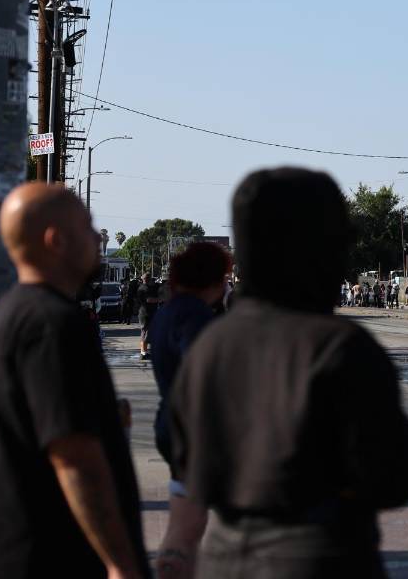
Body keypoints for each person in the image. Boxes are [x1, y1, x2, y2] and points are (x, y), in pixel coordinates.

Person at [170, 167, 408, 578]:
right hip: (318, 558)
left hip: (224, 557)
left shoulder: (210, 345)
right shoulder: (339, 347)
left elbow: (187, 465)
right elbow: (383, 472)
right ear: (318, 251)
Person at [0, 182, 150, 578]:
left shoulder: (9, 317)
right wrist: (120, 562)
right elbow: (74, 458)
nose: (98, 239)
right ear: (56, 241)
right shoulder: (52, 325)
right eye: (89, 228)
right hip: (52, 557)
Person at [149, 243, 233, 579]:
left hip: (171, 424)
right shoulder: (193, 316)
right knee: (190, 527)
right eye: (225, 278)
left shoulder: (169, 312)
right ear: (210, 280)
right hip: (195, 432)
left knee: (185, 522)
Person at [136, 272, 161, 359]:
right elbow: (149, 300)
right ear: (148, 280)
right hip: (145, 313)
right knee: (145, 333)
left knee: (146, 332)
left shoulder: (145, 287)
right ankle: (143, 353)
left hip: (146, 313)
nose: (153, 281)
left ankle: (144, 352)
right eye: (151, 279)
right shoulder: (144, 288)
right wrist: (160, 299)